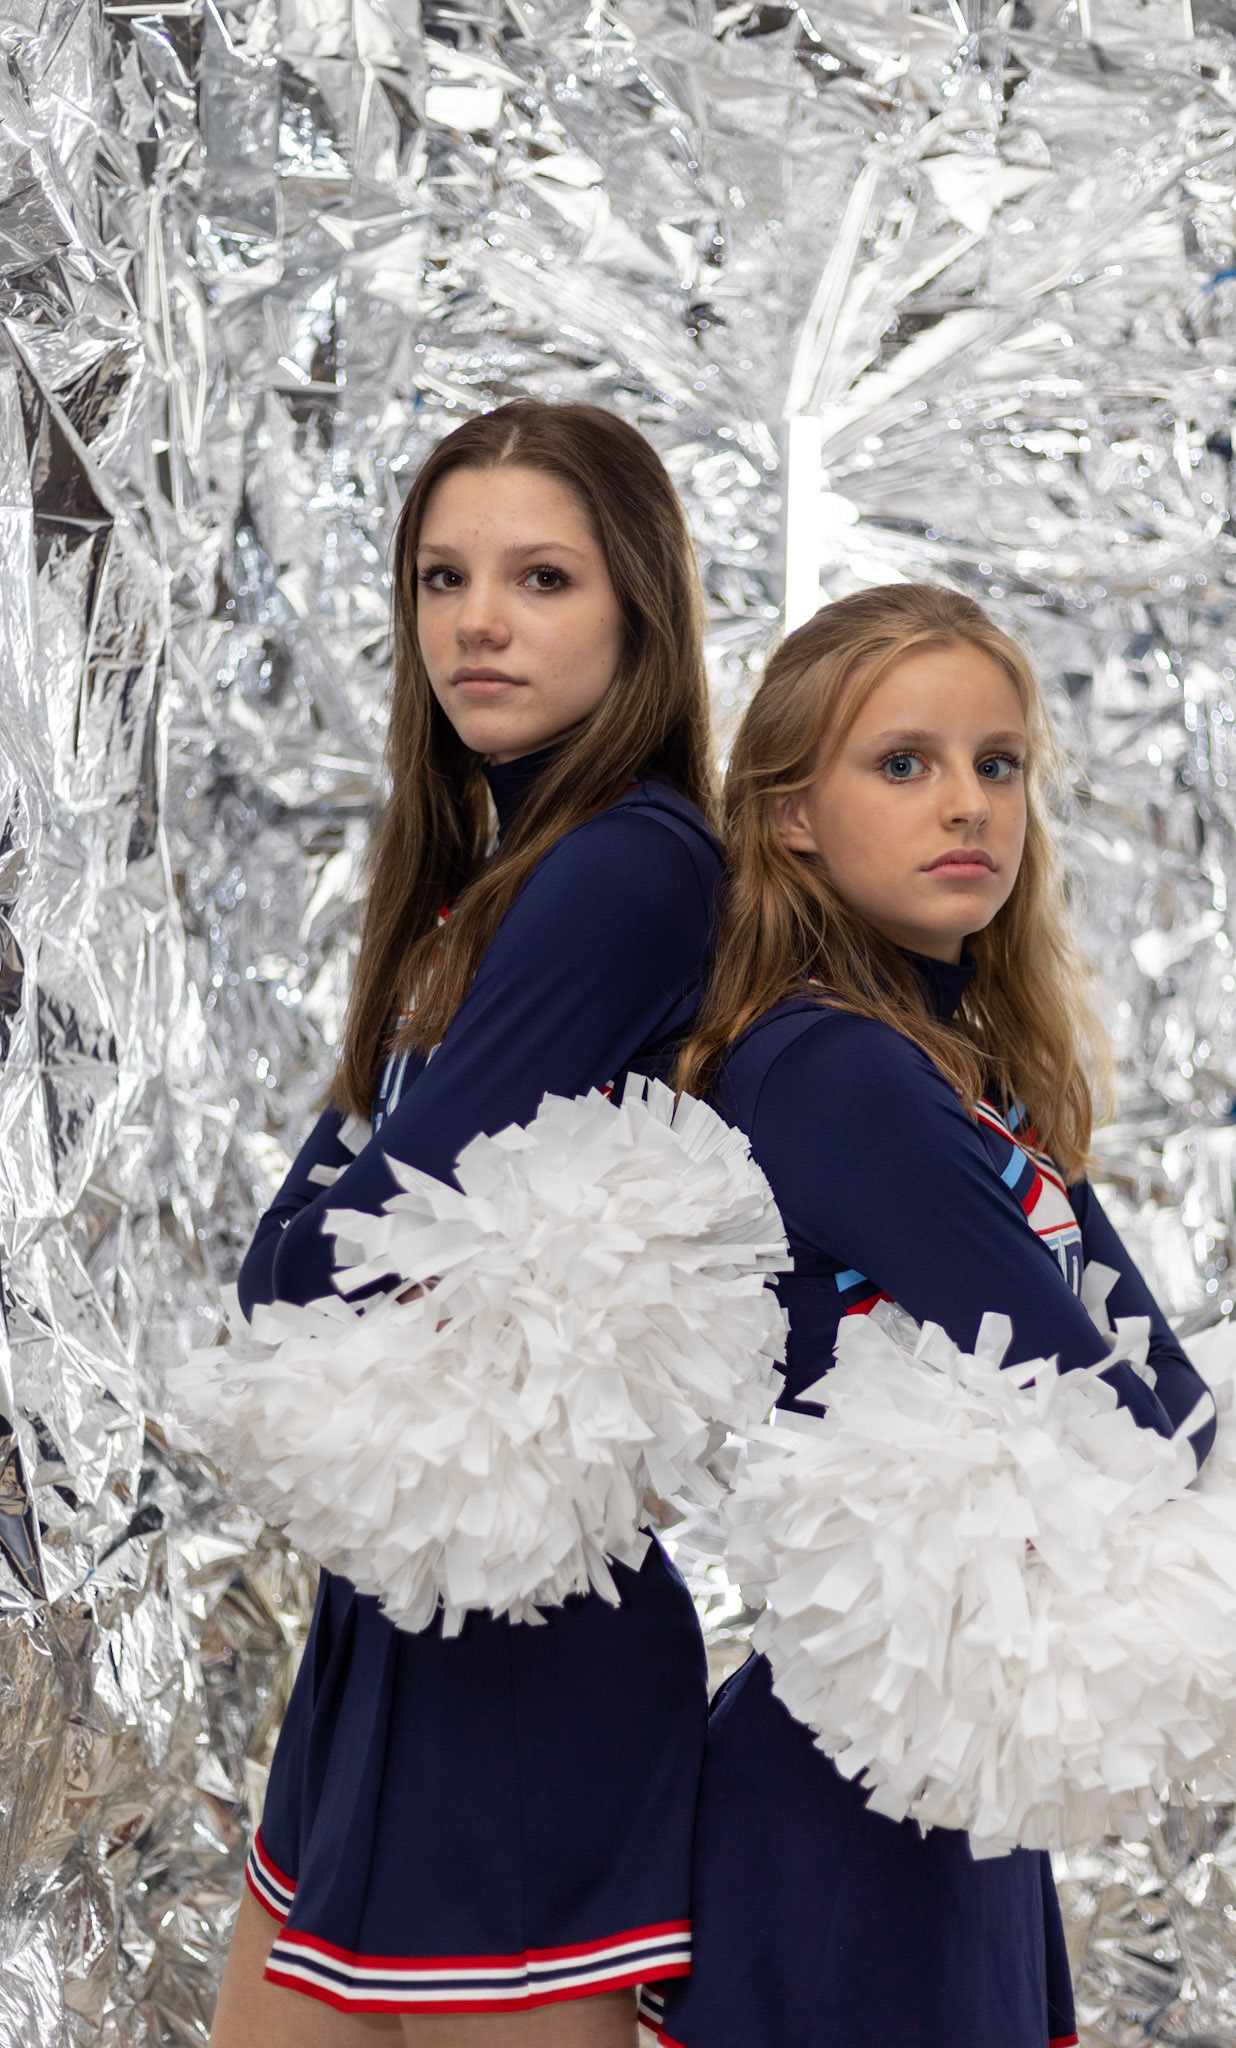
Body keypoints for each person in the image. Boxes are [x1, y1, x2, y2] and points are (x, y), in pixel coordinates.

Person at [210, 400, 723, 2048]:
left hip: (525, 1676)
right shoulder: (481, 877)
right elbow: (321, 1249)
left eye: (541, 578)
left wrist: (321, 1234)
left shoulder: (626, 871)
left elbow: (325, 1257)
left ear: (637, 609)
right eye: (441, 577)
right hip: (389, 1643)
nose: (475, 623)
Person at [654, 582, 1216, 2048]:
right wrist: (1154, 1431)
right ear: (787, 814)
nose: (963, 803)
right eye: (901, 764)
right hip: (845, 1803)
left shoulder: (955, 1068)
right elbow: (1123, 1413)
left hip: (940, 1769)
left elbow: (1163, 1400)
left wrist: (1157, 1426)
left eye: (996, 763)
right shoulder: (836, 1074)